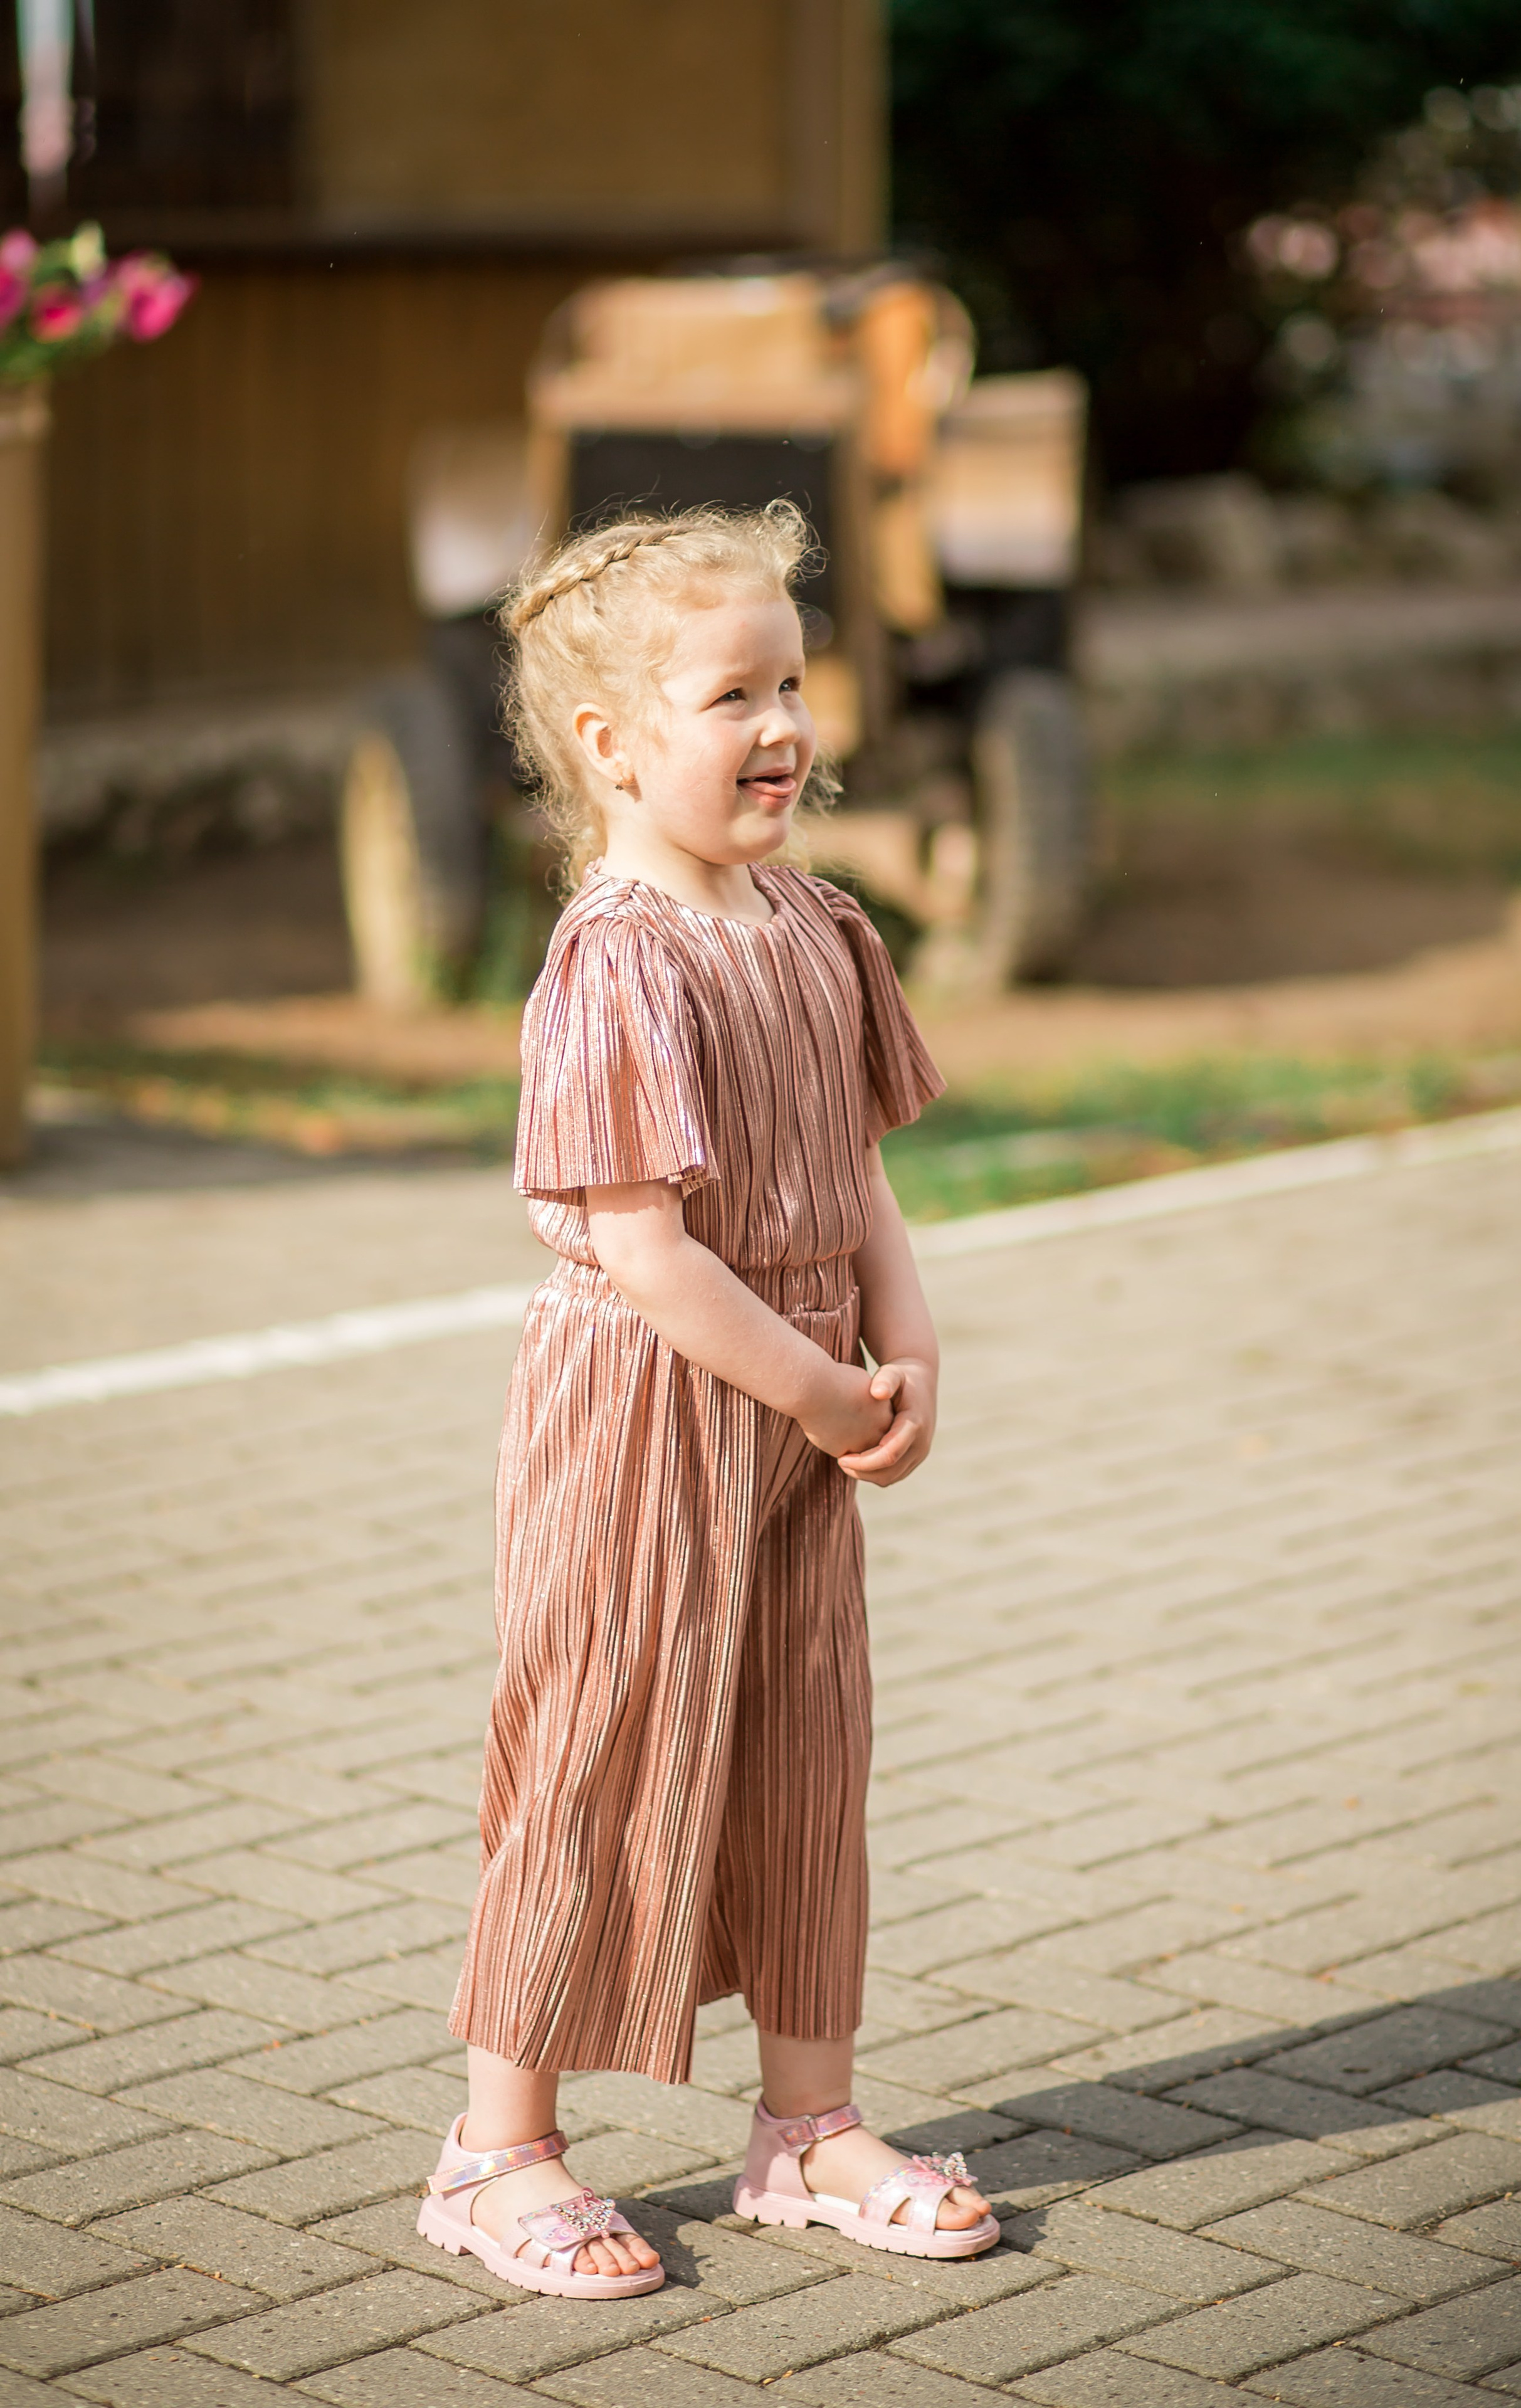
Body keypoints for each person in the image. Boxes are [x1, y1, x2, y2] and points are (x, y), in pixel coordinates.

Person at [418, 504, 998, 2298]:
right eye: (731, 694)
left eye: (796, 684)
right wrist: (824, 1387)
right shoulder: (619, 957)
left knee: (807, 1751)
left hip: (803, 1415)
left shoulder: (817, 927)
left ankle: (805, 2132)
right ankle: (494, 2153)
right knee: (596, 1752)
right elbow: (651, 1256)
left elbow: (863, 1170)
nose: (783, 729)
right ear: (608, 744)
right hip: (650, 1421)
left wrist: (900, 1352)